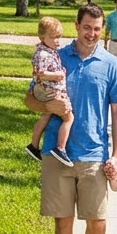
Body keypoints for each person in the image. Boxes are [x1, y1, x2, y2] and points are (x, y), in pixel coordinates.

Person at [24, 3, 117, 234]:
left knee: (97, 221)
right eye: (86, 28)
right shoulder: (56, 57)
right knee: (63, 222)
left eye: (97, 29)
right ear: (76, 25)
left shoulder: (111, 64)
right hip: (57, 154)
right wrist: (48, 107)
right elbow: (30, 99)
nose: (91, 34)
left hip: (94, 153)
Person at [25, 17, 74, 166]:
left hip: (48, 90)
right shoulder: (44, 54)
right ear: (42, 37)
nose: (57, 41)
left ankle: (33, 145)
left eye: (59, 37)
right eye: (53, 38)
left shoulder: (47, 51)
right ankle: (60, 148)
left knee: (45, 116)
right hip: (51, 91)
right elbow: (41, 73)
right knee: (69, 118)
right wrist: (57, 75)